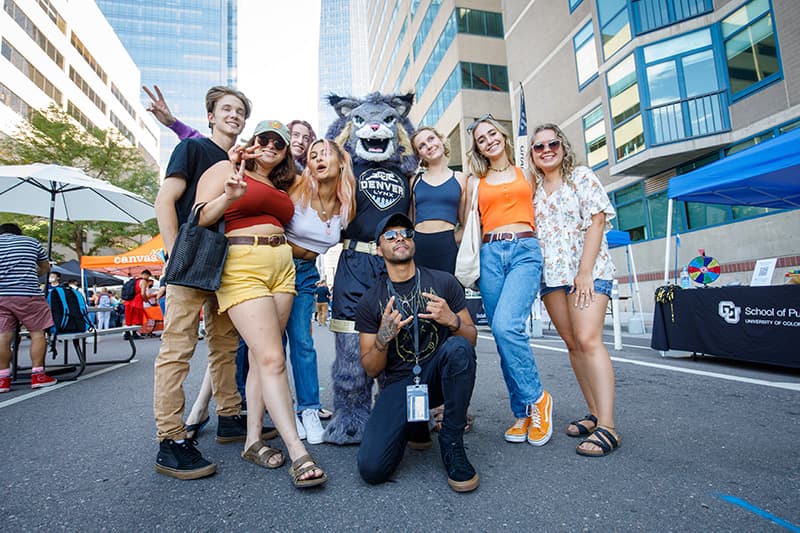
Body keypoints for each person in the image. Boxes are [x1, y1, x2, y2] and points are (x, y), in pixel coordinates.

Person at [195, 119, 326, 488]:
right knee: (273, 358)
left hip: (283, 267)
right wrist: (230, 195)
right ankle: (298, 451)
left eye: (279, 143)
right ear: (252, 142)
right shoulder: (226, 167)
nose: (270, 145)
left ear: (285, 153)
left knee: (258, 358)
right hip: (242, 264)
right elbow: (202, 215)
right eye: (263, 139)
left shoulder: (280, 184)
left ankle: (253, 440)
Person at [152, 86, 255, 480]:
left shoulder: (236, 159)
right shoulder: (192, 149)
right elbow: (166, 201)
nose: (234, 115)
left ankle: (229, 416)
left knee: (225, 345)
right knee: (178, 347)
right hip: (192, 258)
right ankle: (170, 439)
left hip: (227, 262)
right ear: (210, 116)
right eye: (226, 109)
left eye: (240, 111)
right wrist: (175, 254)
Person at [355, 213, 479, 492]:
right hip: (399, 384)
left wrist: (452, 320)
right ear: (378, 249)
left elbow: (471, 340)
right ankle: (414, 423)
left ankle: (451, 441)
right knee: (372, 469)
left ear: (413, 241)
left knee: (458, 347)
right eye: (389, 235)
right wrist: (383, 339)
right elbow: (371, 368)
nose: (399, 237)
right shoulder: (370, 301)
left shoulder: (444, 282)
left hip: (437, 378)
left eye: (405, 232)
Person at [529, 123, 621, 457]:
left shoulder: (580, 176)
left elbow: (596, 221)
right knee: (571, 344)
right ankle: (595, 413)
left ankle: (609, 427)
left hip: (586, 270)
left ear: (563, 147)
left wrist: (584, 273)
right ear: (533, 155)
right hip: (551, 277)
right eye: (539, 147)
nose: (546, 150)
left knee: (588, 339)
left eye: (552, 143)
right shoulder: (535, 190)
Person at [464, 114, 553, 447]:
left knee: (505, 326)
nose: (488, 141)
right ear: (478, 148)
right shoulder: (475, 181)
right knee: (503, 340)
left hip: (525, 251)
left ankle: (538, 399)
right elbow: (466, 223)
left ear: (502, 135)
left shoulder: (526, 172)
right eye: (481, 139)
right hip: (490, 255)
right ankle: (523, 413)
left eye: (492, 134)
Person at [283, 138, 355, 443]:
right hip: (277, 265)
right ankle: (275, 410)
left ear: (340, 162)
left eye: (325, 153)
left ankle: (309, 410)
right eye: (313, 156)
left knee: (302, 341)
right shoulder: (295, 187)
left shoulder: (346, 205)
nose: (318, 159)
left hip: (306, 274)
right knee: (269, 345)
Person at [0, 223, 57, 392]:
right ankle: (38, 375)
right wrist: (34, 274)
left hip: (1, 295)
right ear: (19, 233)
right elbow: (46, 267)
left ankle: (3, 379)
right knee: (37, 332)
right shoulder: (31, 242)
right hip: (28, 294)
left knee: (2, 335)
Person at [409, 126, 467, 273]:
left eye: (431, 139)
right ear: (419, 155)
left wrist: (448, 240)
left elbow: (466, 224)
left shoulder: (460, 178)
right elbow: (410, 220)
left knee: (449, 294)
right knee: (421, 294)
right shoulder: (414, 181)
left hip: (448, 248)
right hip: (419, 248)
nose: (428, 146)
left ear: (441, 139)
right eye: (421, 146)